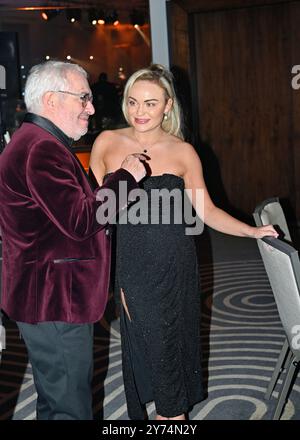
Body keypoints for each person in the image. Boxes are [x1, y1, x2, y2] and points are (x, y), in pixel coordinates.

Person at [89, 64, 278, 420]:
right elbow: (98, 212)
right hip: (130, 265)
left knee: (170, 342)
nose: (139, 111)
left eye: (150, 103)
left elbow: (206, 210)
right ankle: (172, 414)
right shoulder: (107, 144)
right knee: (149, 341)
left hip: (175, 262)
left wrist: (252, 231)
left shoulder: (183, 152)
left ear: (168, 106)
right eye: (132, 102)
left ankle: (172, 416)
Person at [0, 60, 146, 420]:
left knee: (56, 398)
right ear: (51, 100)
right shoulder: (41, 149)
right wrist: (126, 176)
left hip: (44, 294)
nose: (92, 108)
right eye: (83, 98)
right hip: (54, 299)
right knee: (70, 406)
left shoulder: (35, 141)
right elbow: (81, 220)